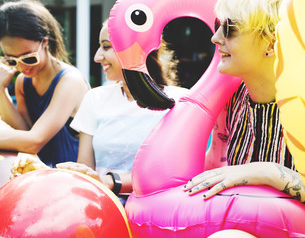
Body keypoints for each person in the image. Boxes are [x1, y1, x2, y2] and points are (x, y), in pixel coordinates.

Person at [12, 19, 188, 205]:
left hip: (159, 210)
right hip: (104, 209)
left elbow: (176, 173)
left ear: (136, 49)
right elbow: (85, 172)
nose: (97, 57)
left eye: (106, 47)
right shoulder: (95, 99)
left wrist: (110, 182)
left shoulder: (180, 101)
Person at [183, 0, 305, 224]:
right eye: (218, 24)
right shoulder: (230, 101)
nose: (215, 37)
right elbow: (207, 172)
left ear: (270, 43)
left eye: (229, 28)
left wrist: (267, 172)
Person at [0, 0, 89, 167]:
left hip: (71, 178)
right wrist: (0, 89)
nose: (21, 66)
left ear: (45, 42)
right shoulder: (23, 82)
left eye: (28, 57)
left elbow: (34, 141)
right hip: (38, 174)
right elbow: (23, 136)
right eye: (11, 60)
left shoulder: (70, 80)